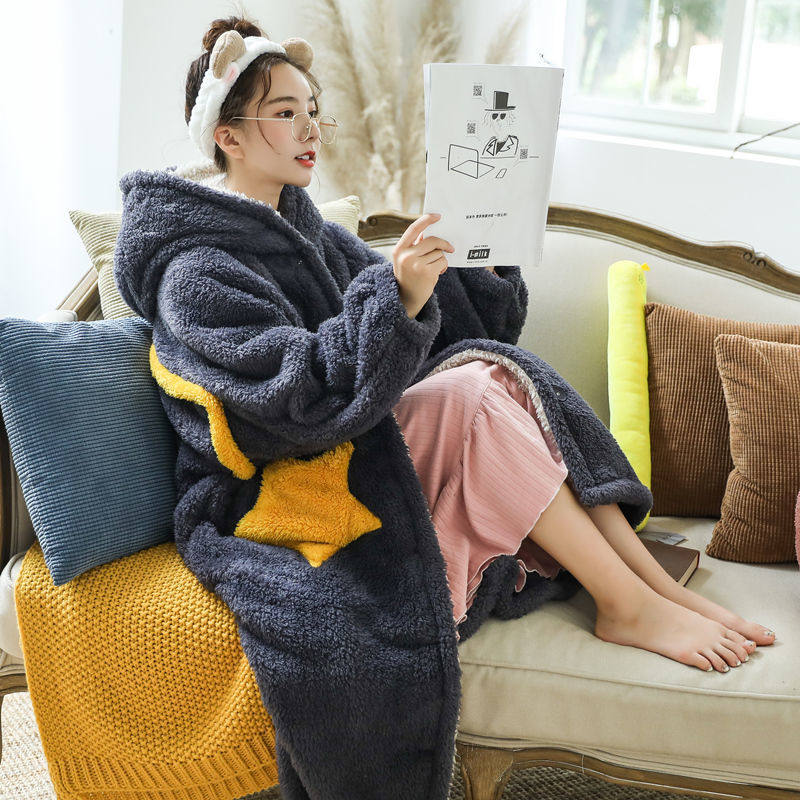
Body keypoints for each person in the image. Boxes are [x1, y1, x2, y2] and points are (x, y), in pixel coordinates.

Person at [141, 14, 773, 678]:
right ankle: (627, 605)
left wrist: (475, 259)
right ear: (227, 136)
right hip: (283, 489)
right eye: (284, 112)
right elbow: (285, 398)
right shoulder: (196, 271)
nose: (309, 129)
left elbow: (448, 339)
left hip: (351, 446)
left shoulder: (312, 236)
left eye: (312, 110)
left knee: (503, 376)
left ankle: (652, 585)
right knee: (473, 393)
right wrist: (396, 299)